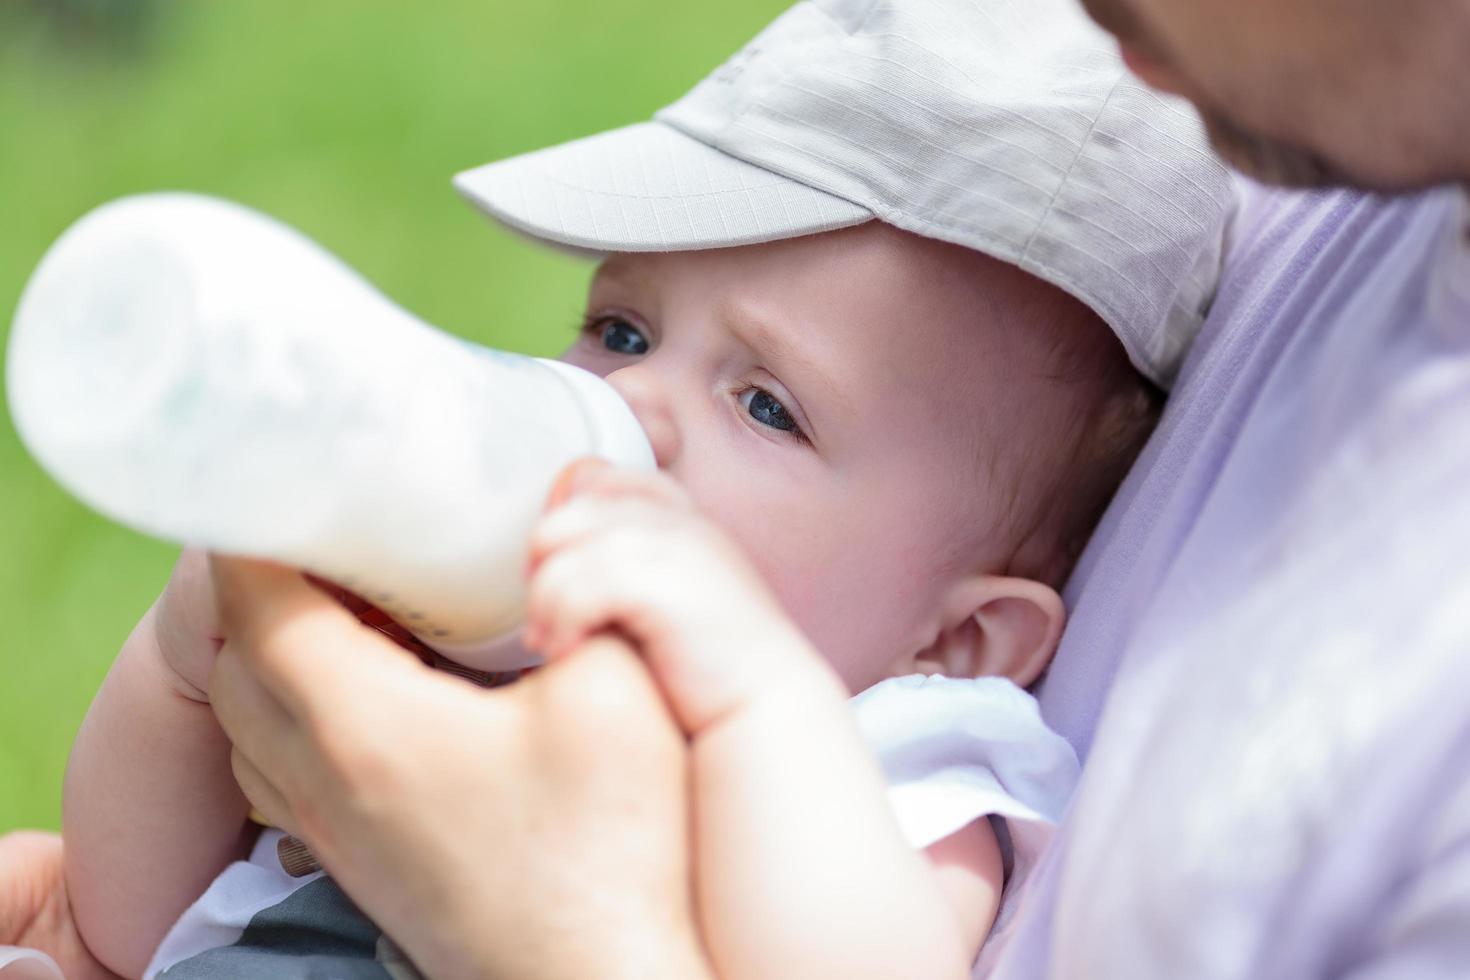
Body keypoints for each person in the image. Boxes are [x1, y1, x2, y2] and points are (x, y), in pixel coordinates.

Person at [26, 0, 1470, 978]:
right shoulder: (462, 646)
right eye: (622, 328)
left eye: (766, 405)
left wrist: (742, 701)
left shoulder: (900, 758)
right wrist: (185, 670)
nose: (633, 408)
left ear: (960, 638)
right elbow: (130, 917)